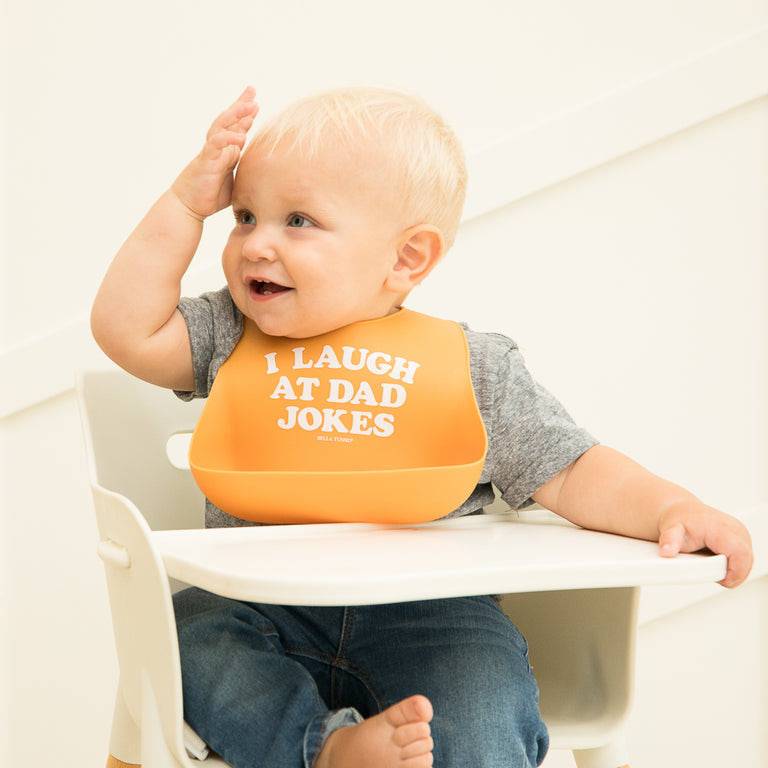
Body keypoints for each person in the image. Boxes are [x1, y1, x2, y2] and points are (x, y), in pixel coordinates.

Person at [90, 84, 754, 768]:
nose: (256, 244)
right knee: (187, 640)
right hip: (259, 607)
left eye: (298, 221)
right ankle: (326, 750)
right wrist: (185, 206)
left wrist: (673, 509)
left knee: (482, 693)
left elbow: (573, 469)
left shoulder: (475, 368)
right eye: (245, 216)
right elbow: (125, 328)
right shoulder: (229, 332)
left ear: (407, 258)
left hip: (430, 615)